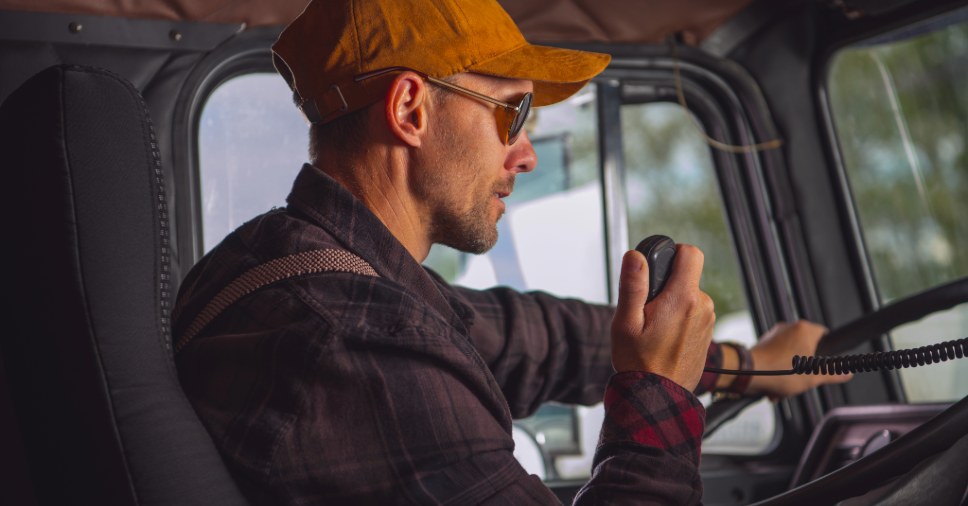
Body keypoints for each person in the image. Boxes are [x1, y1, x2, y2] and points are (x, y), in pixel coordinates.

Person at [173, 0, 850, 504]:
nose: (525, 154)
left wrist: (749, 365)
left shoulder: (291, 262)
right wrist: (659, 394)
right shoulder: (352, 341)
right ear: (410, 110)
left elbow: (532, 339)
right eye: (513, 113)